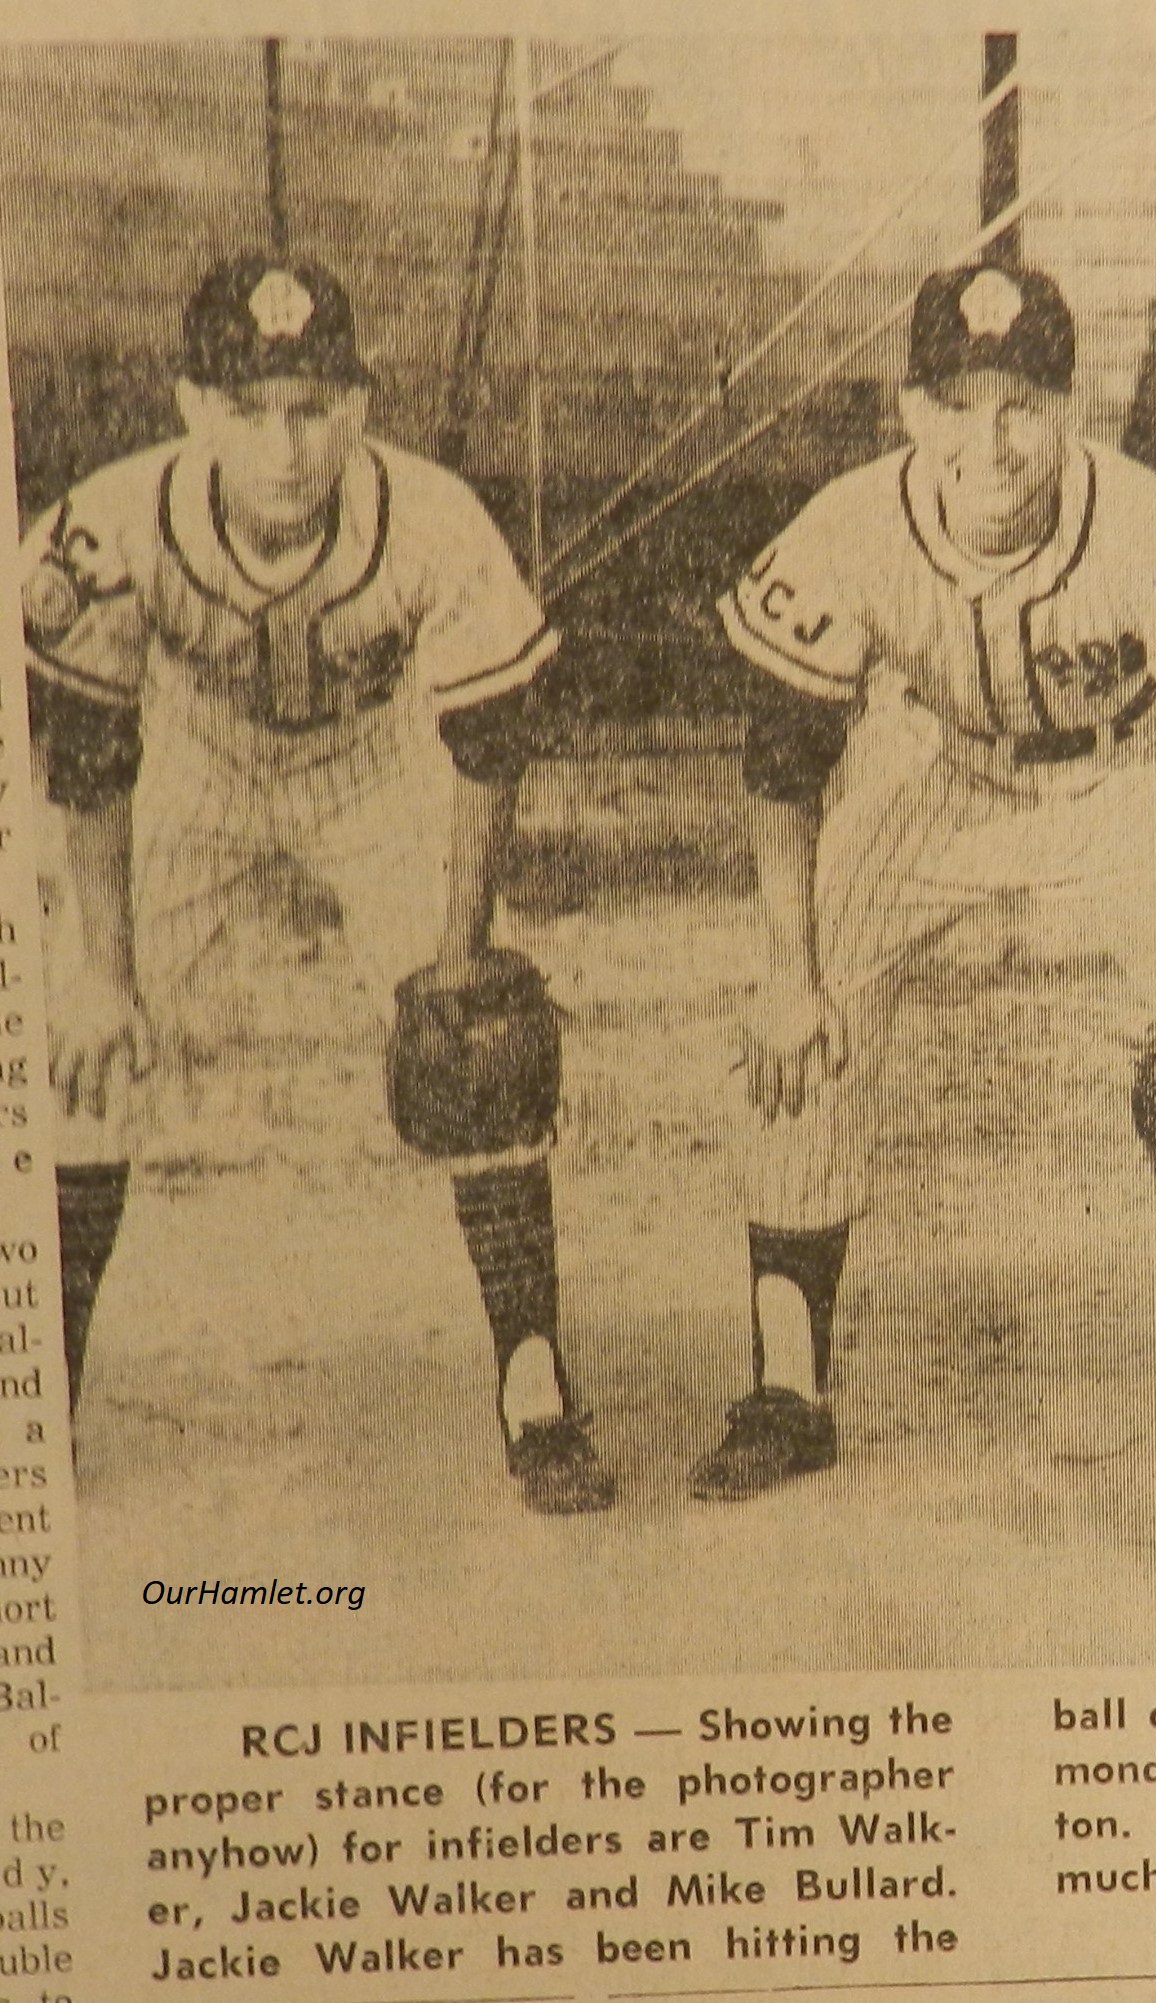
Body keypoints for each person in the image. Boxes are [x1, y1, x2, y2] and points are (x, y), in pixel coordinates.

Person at [696, 260, 1156, 1500]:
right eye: (959, 401)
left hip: (1128, 775)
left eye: (1022, 403)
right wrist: (789, 966)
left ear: (1066, 408)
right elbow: (780, 759)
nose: (991, 438)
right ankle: (786, 1386)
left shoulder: (1147, 526)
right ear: (912, 412)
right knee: (800, 1027)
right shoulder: (848, 526)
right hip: (933, 767)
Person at [24, 251, 613, 1513]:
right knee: (67, 1047)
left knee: (483, 1046)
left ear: (357, 404)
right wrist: (104, 975)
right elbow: (85, 753)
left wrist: (453, 962)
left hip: (371, 767)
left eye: (311, 407)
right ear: (192, 407)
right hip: (187, 768)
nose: (285, 446)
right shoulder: (114, 521)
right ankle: (40, 1395)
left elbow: (488, 741)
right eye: (249, 409)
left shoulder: (436, 518)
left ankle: (534, 1382)